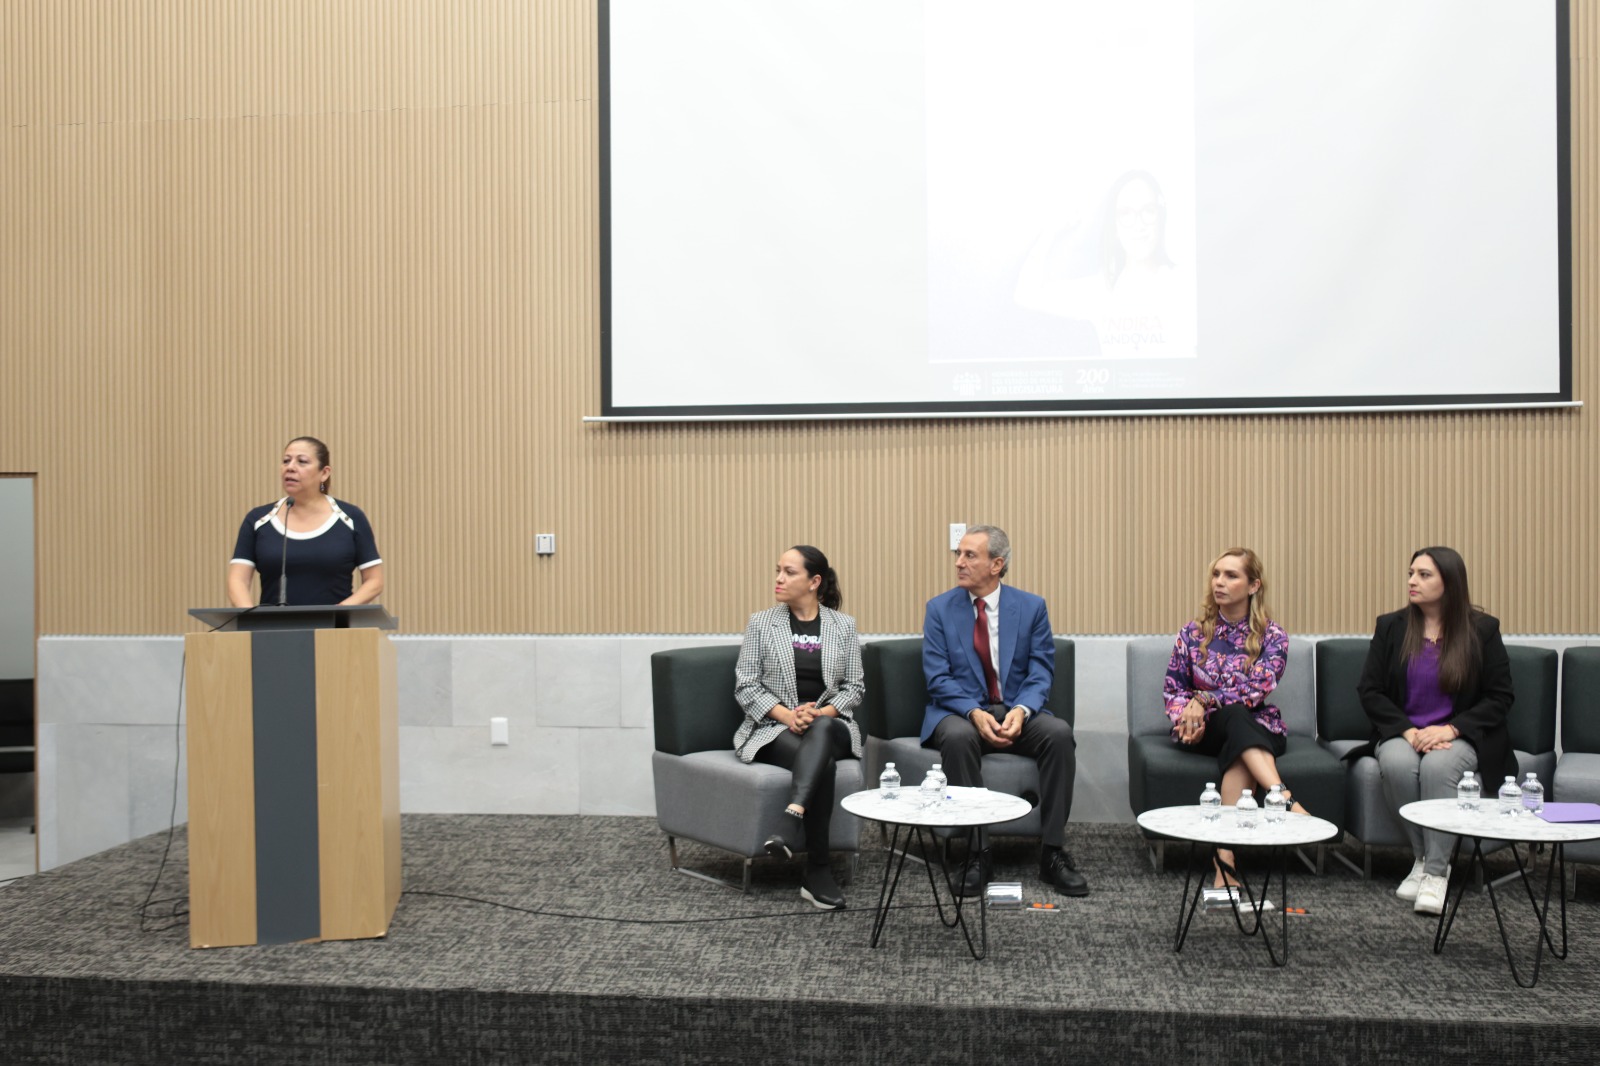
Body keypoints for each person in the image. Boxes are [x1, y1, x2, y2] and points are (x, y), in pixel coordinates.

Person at [921, 525, 1088, 898]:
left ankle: (1053, 852)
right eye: (958, 555)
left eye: (969, 555)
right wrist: (973, 712)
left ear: (997, 564)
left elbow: (1041, 669)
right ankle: (977, 853)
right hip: (959, 710)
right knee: (960, 736)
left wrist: (1024, 710)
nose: (959, 563)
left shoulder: (1031, 607)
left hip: (1015, 708)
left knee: (1059, 734)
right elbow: (937, 677)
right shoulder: (939, 609)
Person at [1355, 546, 1515, 916]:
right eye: (1411, 573)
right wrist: (1407, 732)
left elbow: (1500, 696)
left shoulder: (1483, 630)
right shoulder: (1391, 626)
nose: (1412, 581)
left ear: (1450, 581)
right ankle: (1423, 859)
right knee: (1396, 763)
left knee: (1438, 768)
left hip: (1462, 734)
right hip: (1404, 732)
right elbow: (1370, 691)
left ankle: (1437, 874)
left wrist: (1452, 728)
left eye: (1424, 575)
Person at [1164, 548, 1306, 888]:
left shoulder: (1273, 636)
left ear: (1254, 585)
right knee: (1233, 720)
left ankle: (1223, 864)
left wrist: (1204, 698)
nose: (1220, 583)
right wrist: (1188, 718)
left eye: (1231, 576)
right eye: (1217, 574)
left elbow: (1257, 689)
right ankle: (1283, 798)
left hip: (1257, 726)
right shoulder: (1192, 634)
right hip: (1205, 731)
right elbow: (1173, 689)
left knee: (1239, 726)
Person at [733, 545, 865, 910]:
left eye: (789, 572)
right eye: (778, 570)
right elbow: (746, 685)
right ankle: (817, 871)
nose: (779, 578)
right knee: (822, 763)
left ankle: (791, 820)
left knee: (820, 734)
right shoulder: (762, 622)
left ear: (814, 581)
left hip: (831, 726)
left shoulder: (843, 625)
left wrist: (819, 715)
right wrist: (789, 716)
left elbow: (854, 687)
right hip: (775, 729)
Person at [227, 436, 383, 608]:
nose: (290, 467)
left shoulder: (350, 517)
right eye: (286, 461)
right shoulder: (258, 519)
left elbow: (374, 581)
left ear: (324, 473)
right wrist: (251, 619)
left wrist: (336, 615)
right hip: (272, 630)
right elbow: (238, 580)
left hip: (335, 630)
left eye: (302, 462)